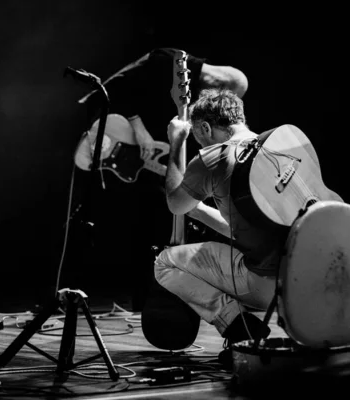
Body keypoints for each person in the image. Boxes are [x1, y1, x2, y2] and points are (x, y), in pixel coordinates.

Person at [67, 48, 249, 311]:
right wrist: (139, 130)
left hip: (131, 154)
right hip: (103, 121)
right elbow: (123, 88)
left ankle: (147, 298)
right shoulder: (170, 60)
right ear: (221, 79)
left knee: (148, 215)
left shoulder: (191, 97)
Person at [153, 88, 290, 367]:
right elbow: (247, 228)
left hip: (264, 285)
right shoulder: (278, 149)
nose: (201, 144)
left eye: (198, 137)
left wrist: (177, 143)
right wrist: (200, 211)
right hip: (304, 278)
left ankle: (238, 325)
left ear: (204, 127)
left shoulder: (213, 158)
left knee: (166, 263)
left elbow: (175, 204)